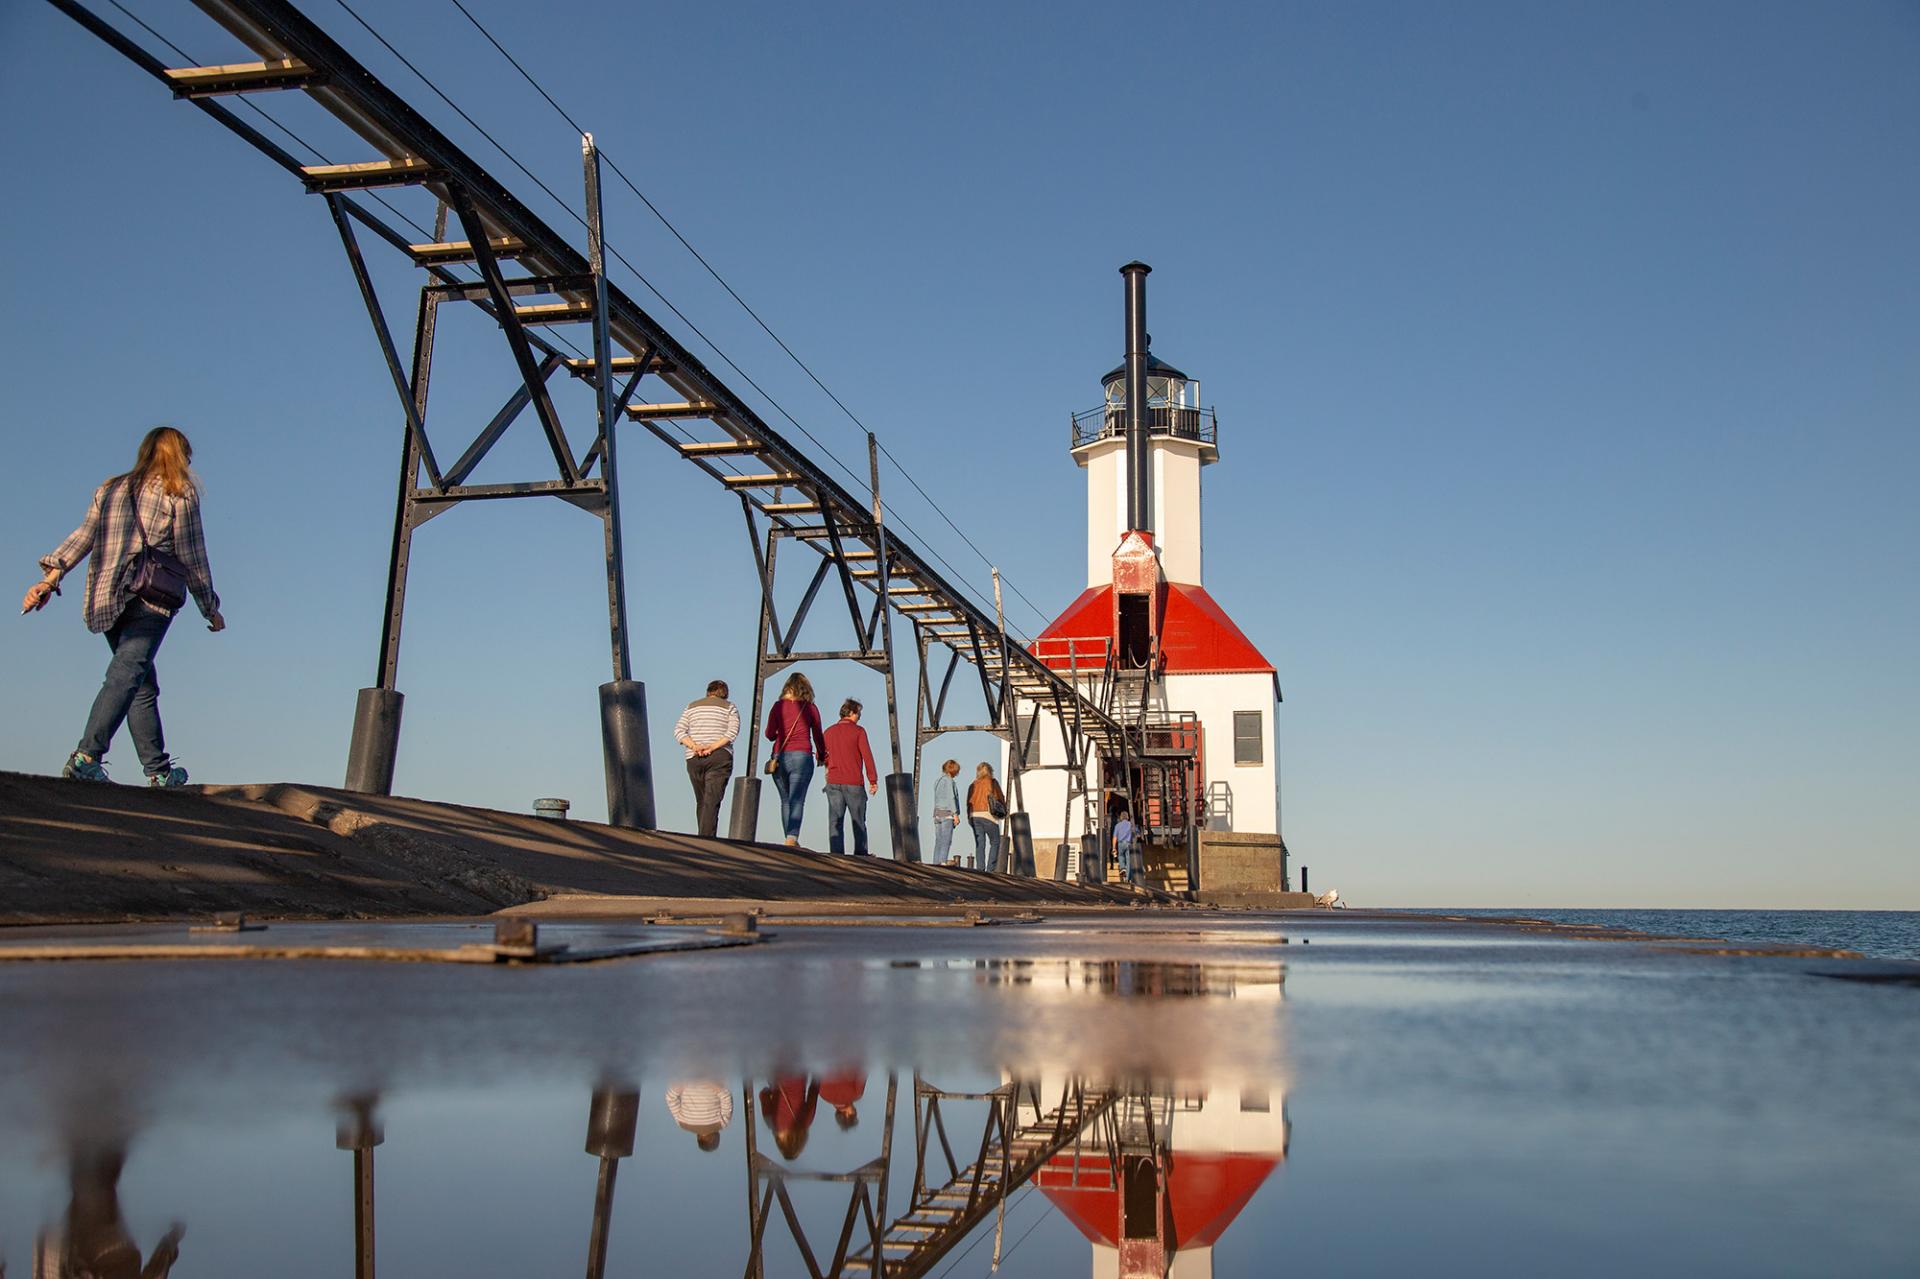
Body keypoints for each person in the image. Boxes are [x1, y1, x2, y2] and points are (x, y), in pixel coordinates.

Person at [23, 426, 223, 787]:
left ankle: (158, 770)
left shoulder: (111, 488)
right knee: (127, 674)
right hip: (150, 596)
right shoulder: (179, 493)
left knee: (139, 680)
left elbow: (83, 536)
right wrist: (209, 606)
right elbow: (193, 555)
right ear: (179, 456)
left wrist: (50, 579)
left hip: (106, 596)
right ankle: (87, 756)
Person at [763, 672, 827, 848]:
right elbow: (818, 735)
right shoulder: (810, 708)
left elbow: (769, 734)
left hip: (779, 757)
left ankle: (790, 837)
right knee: (797, 799)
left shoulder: (777, 707)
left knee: (785, 801)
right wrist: (822, 755)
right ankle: (791, 837)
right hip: (802, 756)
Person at [674, 680, 739, 838]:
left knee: (702, 800)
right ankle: (706, 839)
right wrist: (712, 747)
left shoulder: (691, 707)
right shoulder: (730, 707)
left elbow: (678, 731)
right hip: (719, 757)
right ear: (725, 694)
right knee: (712, 800)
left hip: (694, 758)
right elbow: (732, 733)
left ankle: (702, 836)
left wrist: (695, 746)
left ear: (708, 692)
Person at [821, 698, 879, 856]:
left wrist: (828, 768)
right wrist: (873, 780)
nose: (859, 716)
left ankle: (836, 855)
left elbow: (822, 756)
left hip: (833, 781)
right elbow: (867, 756)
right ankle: (860, 854)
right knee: (858, 821)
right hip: (853, 782)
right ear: (852, 712)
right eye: (858, 713)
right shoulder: (859, 731)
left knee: (835, 821)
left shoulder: (828, 732)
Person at [758, 1075, 819, 1161]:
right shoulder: (771, 1123)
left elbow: (814, 1089)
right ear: (781, 1144)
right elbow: (763, 1094)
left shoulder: (806, 1122)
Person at [664, 1080, 735, 1152]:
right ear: (698, 1139)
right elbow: (670, 1098)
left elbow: (726, 1097)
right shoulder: (682, 1124)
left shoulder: (721, 1124)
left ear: (713, 1139)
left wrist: (712, 1084)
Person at [967, 762, 1005, 873]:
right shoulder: (992, 783)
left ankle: (980, 869)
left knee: (980, 843)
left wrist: (969, 817)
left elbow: (969, 802)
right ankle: (990, 869)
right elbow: (1000, 797)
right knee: (995, 841)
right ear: (990, 771)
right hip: (988, 815)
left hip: (974, 815)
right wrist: (1004, 810)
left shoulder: (973, 784)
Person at [930, 759, 963, 864]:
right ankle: (943, 862)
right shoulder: (949, 781)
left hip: (937, 813)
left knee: (938, 841)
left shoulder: (937, 781)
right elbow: (951, 798)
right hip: (947, 813)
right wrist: (955, 814)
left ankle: (935, 863)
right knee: (946, 840)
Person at [1113, 810, 1139, 886]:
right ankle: (1128, 878)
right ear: (1127, 817)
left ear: (1121, 817)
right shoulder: (1131, 824)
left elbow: (1114, 837)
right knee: (1128, 861)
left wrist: (1114, 848)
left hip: (1120, 844)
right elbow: (1137, 834)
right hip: (1128, 844)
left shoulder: (1117, 826)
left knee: (1120, 856)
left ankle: (1122, 867)